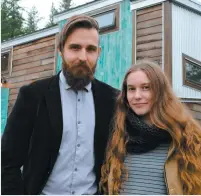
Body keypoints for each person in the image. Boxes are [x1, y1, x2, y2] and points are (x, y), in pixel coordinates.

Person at [1, 15, 119, 195]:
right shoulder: (33, 95)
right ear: (60, 50)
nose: (83, 57)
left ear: (99, 53)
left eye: (91, 49)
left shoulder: (111, 98)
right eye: (75, 48)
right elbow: (7, 161)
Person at [100, 61, 201, 195]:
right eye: (131, 89)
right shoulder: (118, 134)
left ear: (161, 92)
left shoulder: (187, 137)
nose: (137, 96)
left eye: (146, 87)